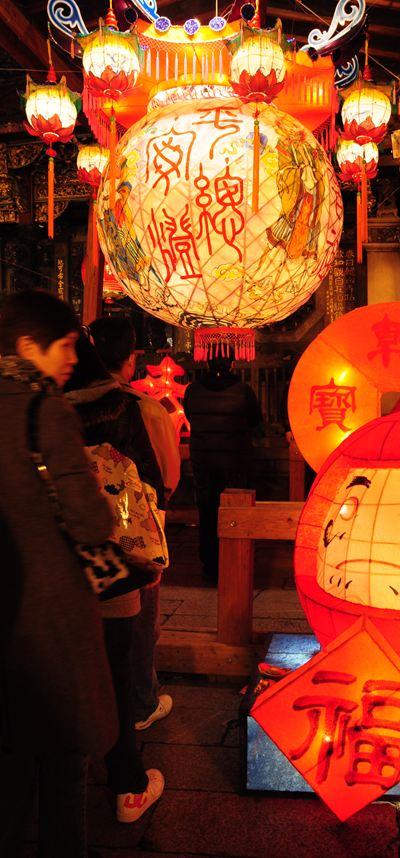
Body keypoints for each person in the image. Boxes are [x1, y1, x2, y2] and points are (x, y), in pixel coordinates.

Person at [0, 290, 118, 857]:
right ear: (29, 346)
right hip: (48, 611)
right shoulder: (44, 410)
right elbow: (90, 522)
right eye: (65, 345)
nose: (74, 358)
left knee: (10, 759)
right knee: (64, 755)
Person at [65, 333, 165, 824]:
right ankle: (127, 786)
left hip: (57, 570)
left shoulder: (40, 410)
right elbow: (152, 481)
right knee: (116, 673)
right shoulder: (129, 408)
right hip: (114, 560)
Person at [89, 315, 179, 731]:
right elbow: (168, 476)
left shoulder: (61, 404)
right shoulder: (142, 407)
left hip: (83, 531)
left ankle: (99, 702)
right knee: (140, 618)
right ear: (130, 359)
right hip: (136, 531)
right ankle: (142, 701)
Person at [183, 353, 262, 584]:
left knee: (207, 511)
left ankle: (210, 563)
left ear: (207, 362)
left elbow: (190, 416)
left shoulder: (193, 390)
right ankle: (233, 561)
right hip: (234, 461)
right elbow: (255, 421)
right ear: (233, 363)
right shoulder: (243, 391)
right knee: (234, 512)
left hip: (204, 460)